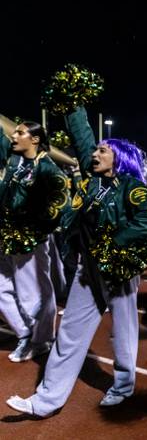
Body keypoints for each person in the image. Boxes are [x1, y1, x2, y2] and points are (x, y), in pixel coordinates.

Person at [6, 105, 147, 416]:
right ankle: (45, 400)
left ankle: (123, 385)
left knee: (123, 331)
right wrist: (72, 107)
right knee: (69, 333)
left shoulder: (132, 188)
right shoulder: (91, 185)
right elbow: (82, 139)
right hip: (87, 268)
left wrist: (115, 243)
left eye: (103, 151)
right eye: (96, 150)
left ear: (118, 158)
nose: (95, 154)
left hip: (117, 268)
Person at [0, 121, 70, 363]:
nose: (14, 136)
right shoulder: (15, 162)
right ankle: (25, 332)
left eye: (20, 132)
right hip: (6, 234)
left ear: (35, 139)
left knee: (33, 293)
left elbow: (60, 206)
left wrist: (33, 227)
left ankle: (41, 340)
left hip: (29, 239)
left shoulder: (49, 170)